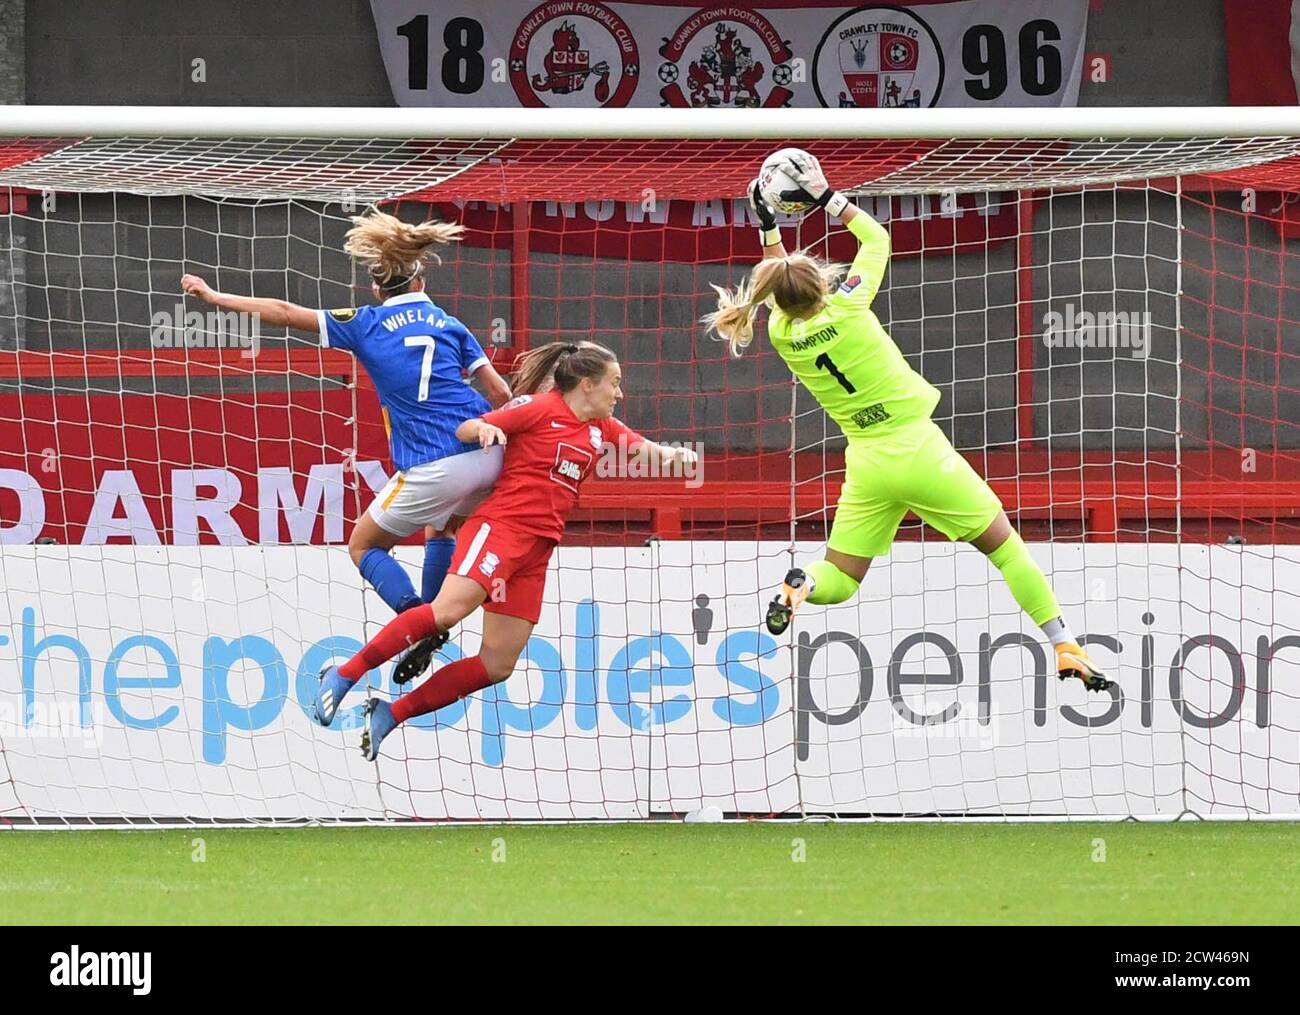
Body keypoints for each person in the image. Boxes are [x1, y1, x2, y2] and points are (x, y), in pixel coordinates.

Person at [703, 152, 1111, 692]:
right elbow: (876, 241)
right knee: (1006, 548)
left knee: (842, 580)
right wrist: (826, 196)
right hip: (917, 448)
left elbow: (777, 281)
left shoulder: (782, 333)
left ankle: (796, 588)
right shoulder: (849, 307)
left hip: (868, 462)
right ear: (823, 286)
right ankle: (1064, 645)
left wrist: (767, 228)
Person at [181, 208, 513, 717]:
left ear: (378, 289)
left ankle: (417, 619)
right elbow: (500, 392)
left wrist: (214, 296)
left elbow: (284, 311)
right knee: (440, 530)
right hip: (488, 456)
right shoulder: (451, 326)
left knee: (362, 545)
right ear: (421, 278)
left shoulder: (366, 322)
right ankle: (432, 621)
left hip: (434, 462)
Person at [314, 340, 696, 759]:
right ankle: (345, 673)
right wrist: (482, 429)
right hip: (500, 529)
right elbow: (466, 428)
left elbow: (646, 451)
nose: (619, 394)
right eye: (615, 384)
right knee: (446, 612)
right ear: (587, 385)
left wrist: (678, 458)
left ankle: (390, 713)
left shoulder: (600, 428)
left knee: (497, 665)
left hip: (537, 550)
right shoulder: (538, 406)